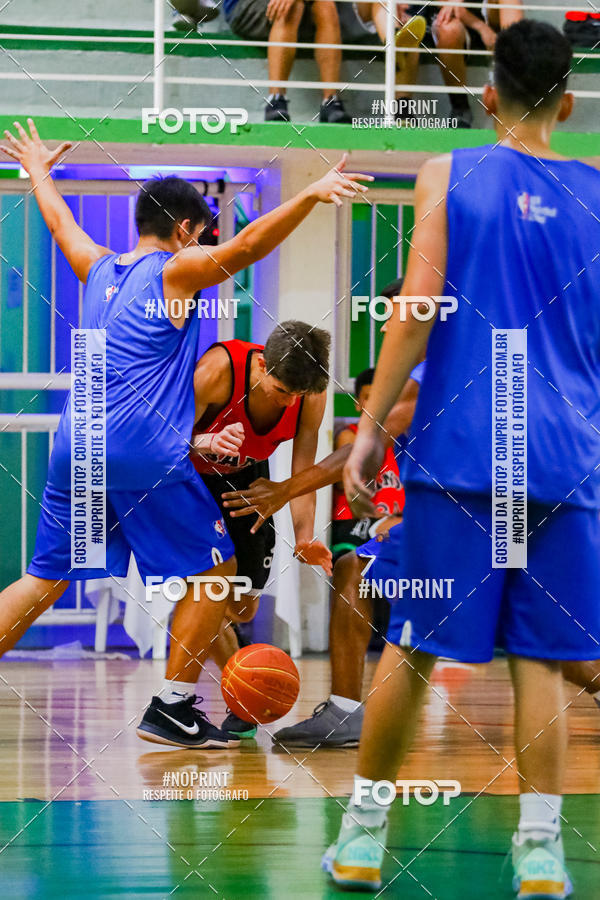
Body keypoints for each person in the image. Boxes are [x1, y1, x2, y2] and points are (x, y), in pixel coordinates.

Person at [323, 20, 600, 896]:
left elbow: (414, 310)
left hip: (461, 450)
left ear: (487, 94)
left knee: (409, 644)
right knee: (542, 660)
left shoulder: (449, 173)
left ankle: (364, 839)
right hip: (561, 455)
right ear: (566, 100)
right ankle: (542, 854)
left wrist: (369, 424)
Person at [0, 122, 371, 749]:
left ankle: (180, 702)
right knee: (218, 571)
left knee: (44, 580)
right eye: (202, 235)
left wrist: (38, 172)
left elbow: (61, 225)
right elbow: (251, 245)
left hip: (76, 445)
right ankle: (172, 706)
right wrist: (310, 194)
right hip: (141, 450)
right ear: (185, 232)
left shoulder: (99, 269)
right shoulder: (173, 274)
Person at [189, 322, 333, 739]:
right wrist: (209, 441)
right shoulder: (219, 370)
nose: (289, 402)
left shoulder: (310, 394)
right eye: (281, 391)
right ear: (261, 364)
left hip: (251, 483)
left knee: (244, 606)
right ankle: (241, 697)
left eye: (296, 395)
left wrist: (304, 535)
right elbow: (163, 437)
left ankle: (240, 685)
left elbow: (302, 469)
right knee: (207, 589)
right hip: (190, 479)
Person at [271, 362, 423, 747]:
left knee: (547, 645)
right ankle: (344, 713)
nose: (386, 326)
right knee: (352, 566)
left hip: (467, 519)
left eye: (392, 316)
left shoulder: (424, 376)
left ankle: (347, 715)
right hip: (478, 517)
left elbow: (366, 448)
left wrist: (284, 489)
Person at [223, 0, 352, 122]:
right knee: (292, 8)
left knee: (326, 7)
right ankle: (276, 99)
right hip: (245, 6)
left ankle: (330, 102)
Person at [433, 0, 523, 127]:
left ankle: (511, 102)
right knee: (449, 29)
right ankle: (461, 110)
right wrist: (481, 27)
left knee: (511, 2)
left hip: (484, 16)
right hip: (453, 21)